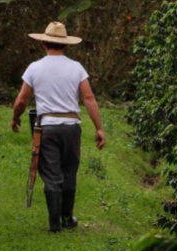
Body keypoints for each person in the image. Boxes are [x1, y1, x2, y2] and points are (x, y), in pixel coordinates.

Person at [11, 21, 106, 233]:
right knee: (69, 172)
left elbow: (21, 100)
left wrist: (15, 118)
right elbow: (89, 98)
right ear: (66, 45)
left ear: (44, 43)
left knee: (52, 175)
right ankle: (67, 218)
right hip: (72, 127)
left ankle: (54, 224)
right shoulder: (76, 68)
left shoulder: (34, 68)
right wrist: (99, 128)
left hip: (47, 128)